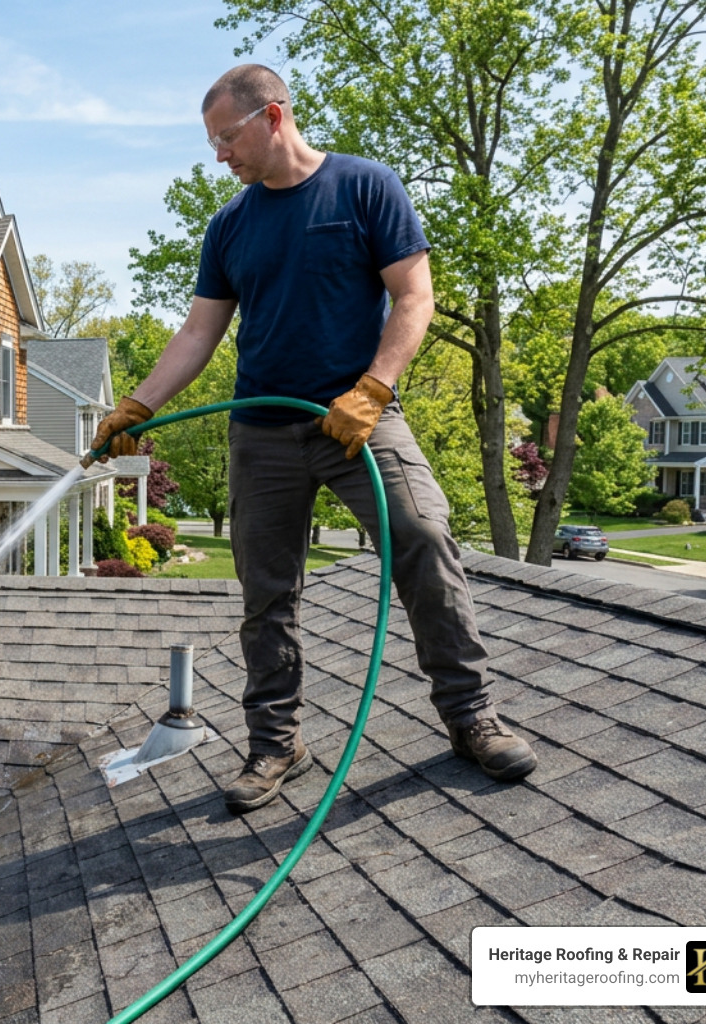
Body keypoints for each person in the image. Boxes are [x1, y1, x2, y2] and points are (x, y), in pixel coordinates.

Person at [90, 64, 536, 814]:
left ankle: (470, 717)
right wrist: (137, 401)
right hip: (262, 434)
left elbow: (414, 294)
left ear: (272, 117)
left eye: (226, 138)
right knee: (268, 595)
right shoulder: (230, 225)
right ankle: (277, 745)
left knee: (423, 534)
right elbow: (202, 329)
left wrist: (375, 387)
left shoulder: (364, 187)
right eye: (213, 143)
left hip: (357, 418)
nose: (219, 155)